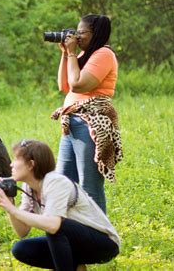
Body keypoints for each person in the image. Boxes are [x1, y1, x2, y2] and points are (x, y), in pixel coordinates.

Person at [0, 140, 120, 270]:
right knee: (21, 249)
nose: (11, 164)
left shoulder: (55, 182)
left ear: (31, 164)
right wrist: (9, 205)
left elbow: (53, 225)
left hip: (103, 243)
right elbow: (22, 231)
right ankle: (76, 267)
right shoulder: (29, 187)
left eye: (16, 159)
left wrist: (14, 210)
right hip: (75, 242)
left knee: (56, 226)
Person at [51, 14, 123, 213]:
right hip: (72, 123)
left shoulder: (104, 54)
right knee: (64, 181)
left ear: (96, 34)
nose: (77, 36)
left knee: (89, 185)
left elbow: (79, 84)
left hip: (91, 123)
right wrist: (66, 54)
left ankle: (100, 236)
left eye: (82, 32)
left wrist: (73, 54)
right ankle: (68, 230)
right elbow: (64, 85)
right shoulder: (84, 55)